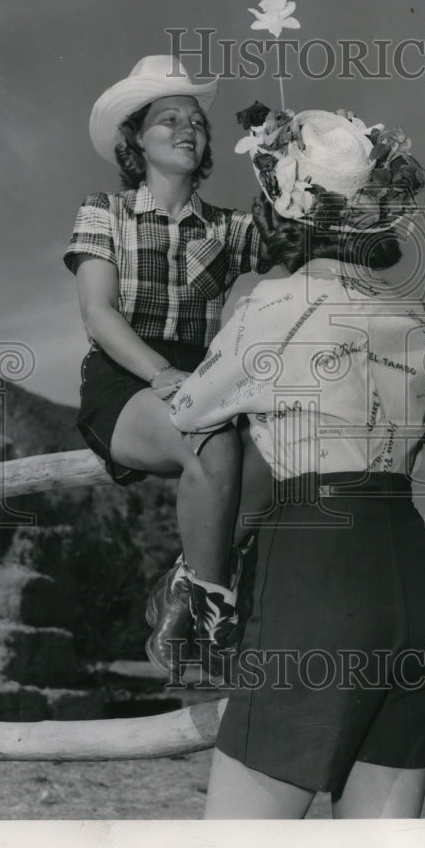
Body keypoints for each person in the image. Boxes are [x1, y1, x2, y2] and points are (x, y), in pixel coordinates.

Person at [169, 106, 425, 818]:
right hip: (415, 580)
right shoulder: (423, 321)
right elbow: (419, 434)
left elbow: (189, 414)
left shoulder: (273, 305)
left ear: (288, 214)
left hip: (315, 576)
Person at [63, 56, 272, 676]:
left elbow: (296, 248)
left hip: (200, 381)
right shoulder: (105, 211)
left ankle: (184, 584)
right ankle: (215, 615)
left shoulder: (232, 229)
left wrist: (287, 165)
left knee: (279, 463)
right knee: (209, 441)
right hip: (126, 380)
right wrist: (160, 375)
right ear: (135, 141)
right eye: (168, 119)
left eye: (197, 122)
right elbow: (98, 313)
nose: (187, 129)